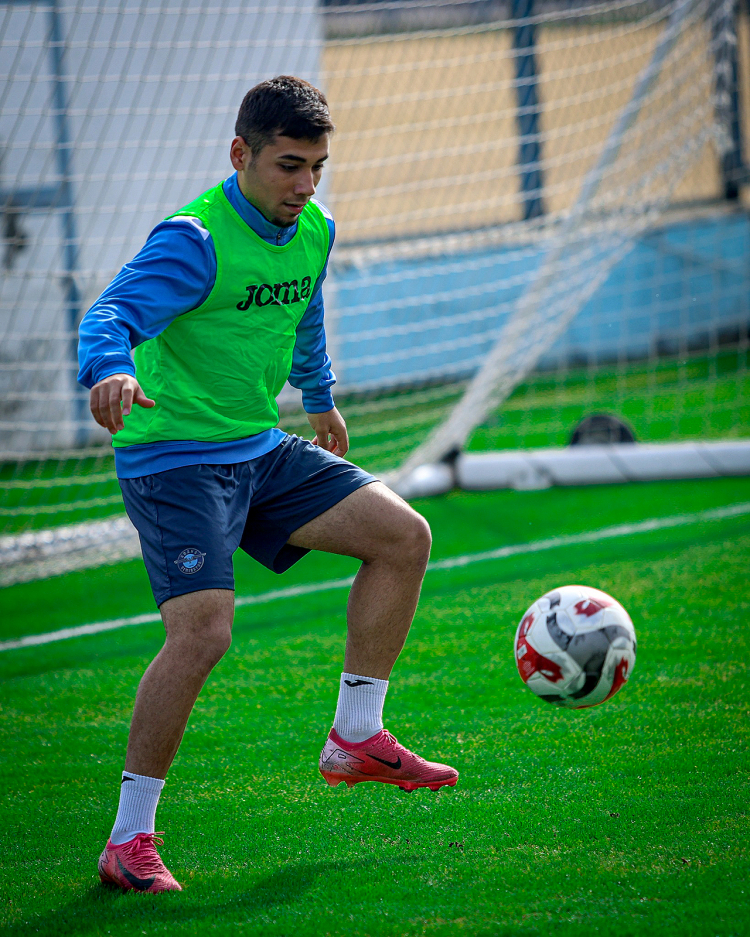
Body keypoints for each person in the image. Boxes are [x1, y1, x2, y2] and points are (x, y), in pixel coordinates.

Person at [78, 76, 458, 895]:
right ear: (240, 155)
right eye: (289, 165)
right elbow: (108, 315)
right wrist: (109, 368)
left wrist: (319, 396)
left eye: (317, 167)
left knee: (403, 536)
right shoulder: (194, 240)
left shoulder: (314, 227)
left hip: (258, 445)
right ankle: (127, 838)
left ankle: (356, 735)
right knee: (203, 634)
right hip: (175, 457)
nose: (305, 185)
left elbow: (303, 308)